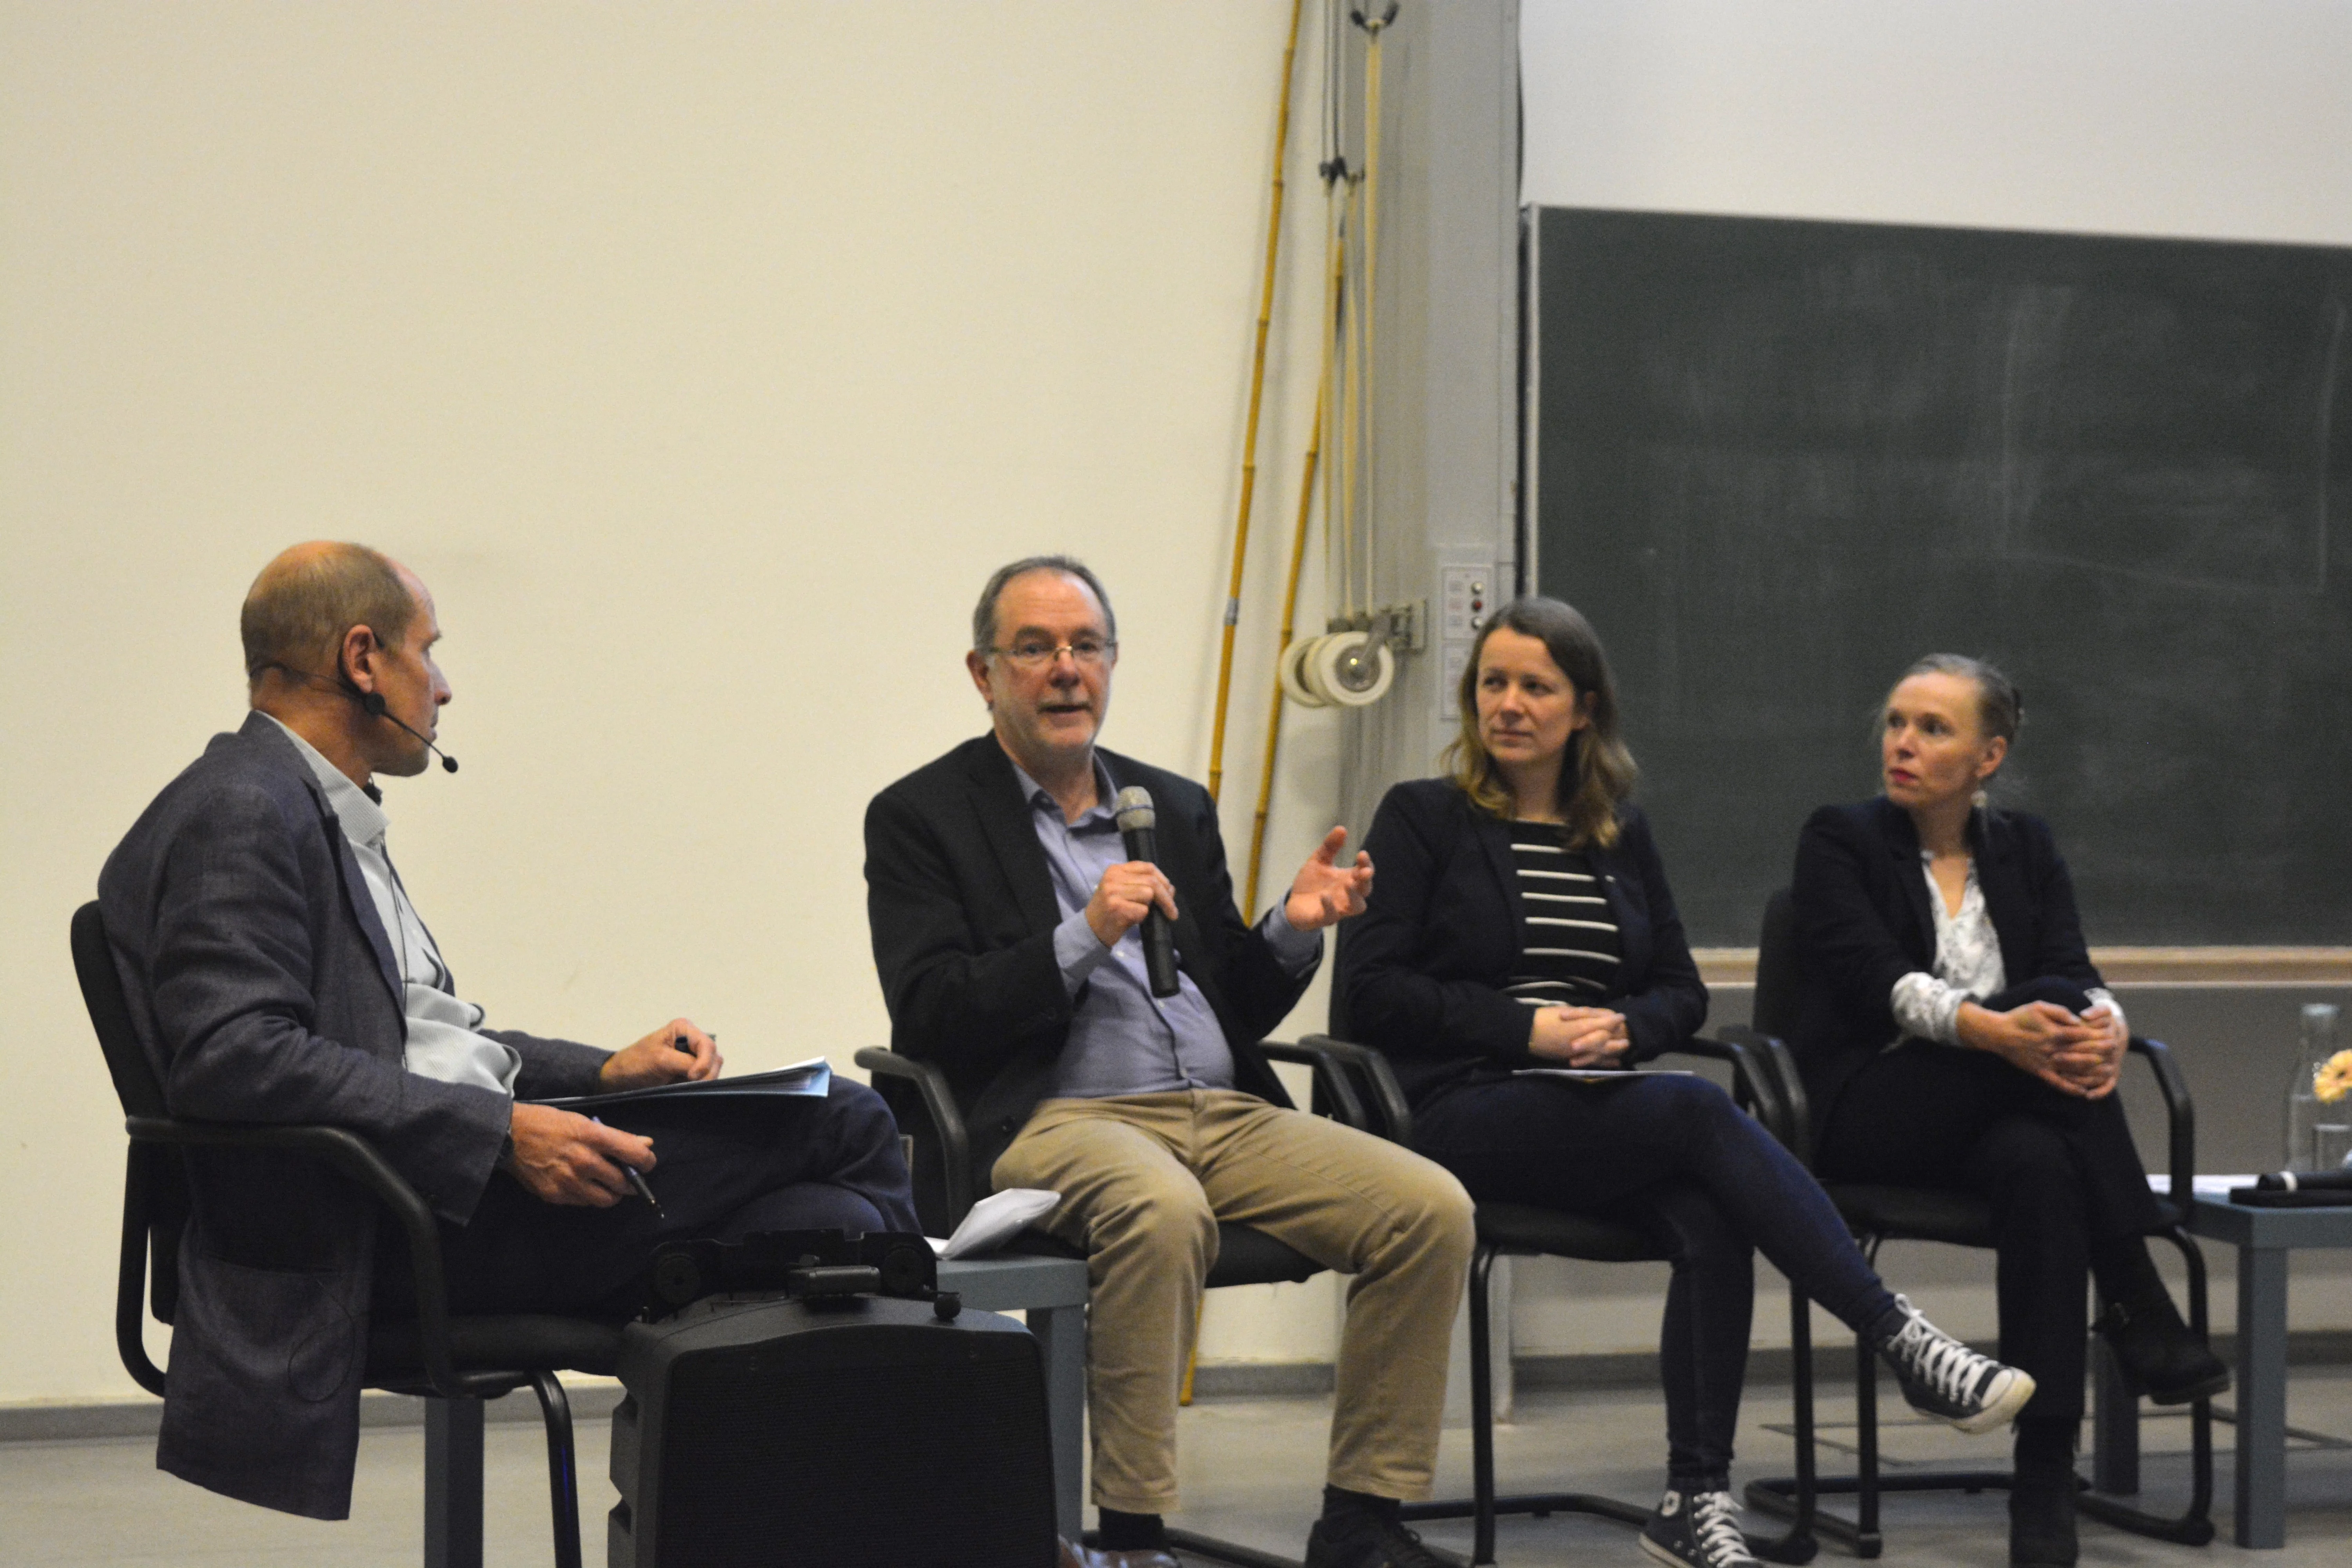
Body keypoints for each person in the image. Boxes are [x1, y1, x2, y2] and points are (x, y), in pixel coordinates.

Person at [97, 542, 917, 1522]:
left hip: (437, 1197)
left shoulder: (312, 808)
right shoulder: (243, 808)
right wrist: (501, 1133)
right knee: (849, 1120)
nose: (443, 687)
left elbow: (425, 1040)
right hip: (394, 1229)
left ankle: (812, 1523)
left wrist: (606, 1069)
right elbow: (234, 1059)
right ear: (364, 660)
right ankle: (949, 1490)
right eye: (427, 652)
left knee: (829, 1225)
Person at [1339, 598, 2037, 1568]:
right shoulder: (1425, 816)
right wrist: (1526, 1025)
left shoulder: (1618, 829)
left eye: (1535, 686)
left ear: (1584, 708)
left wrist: (1629, 1026)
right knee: (1700, 1107)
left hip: (1587, 1110)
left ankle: (1694, 1497)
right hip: (1455, 1102)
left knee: (1711, 1213)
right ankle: (1899, 1337)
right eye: (1492, 683)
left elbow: (1680, 988)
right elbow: (1369, 991)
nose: (1508, 704)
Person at [864, 555, 1477, 1568]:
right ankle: (1135, 1540)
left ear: (1112, 664)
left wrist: (1292, 928)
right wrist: (1082, 934)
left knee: (1431, 1210)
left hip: (1220, 1112)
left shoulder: (1170, 804)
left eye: (1087, 647)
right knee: (1162, 1209)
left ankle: (1364, 1521)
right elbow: (931, 1011)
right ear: (984, 674)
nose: (1067, 670)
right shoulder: (921, 816)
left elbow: (1228, 989)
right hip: (1059, 1120)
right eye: (1036, 649)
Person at [1788, 653, 2228, 1568]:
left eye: (1933, 729)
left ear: (1988, 756)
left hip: (2002, 1112)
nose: (1903, 743)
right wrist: (1999, 1029)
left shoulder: (2026, 846)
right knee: (2035, 1047)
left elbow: (2073, 968)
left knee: (2039, 1158)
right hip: (1869, 1103)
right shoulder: (1841, 838)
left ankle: (2043, 1476)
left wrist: (2104, 1027)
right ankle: (2138, 1293)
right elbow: (1878, 983)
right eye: (1897, 722)